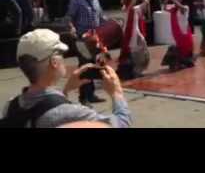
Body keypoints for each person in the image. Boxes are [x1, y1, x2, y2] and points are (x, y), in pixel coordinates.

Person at [0, 29, 132, 128]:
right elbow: (121, 123)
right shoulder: (70, 113)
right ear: (54, 62)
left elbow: (41, 109)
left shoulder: (10, 107)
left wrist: (65, 91)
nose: (64, 58)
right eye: (61, 54)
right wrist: (116, 93)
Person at [66, 0, 107, 107]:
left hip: (95, 39)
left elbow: (101, 18)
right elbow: (69, 17)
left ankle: (91, 95)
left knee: (94, 66)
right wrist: (71, 27)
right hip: (82, 39)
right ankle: (83, 98)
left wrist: (113, 23)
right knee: (85, 67)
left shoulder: (96, 1)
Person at [116, 0, 150, 81]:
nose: (133, 1)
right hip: (128, 36)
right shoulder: (125, 10)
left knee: (143, 52)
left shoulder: (135, 9)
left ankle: (137, 70)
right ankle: (133, 71)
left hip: (136, 35)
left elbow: (146, 2)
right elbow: (130, 7)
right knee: (132, 54)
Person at [161, 0, 195, 71]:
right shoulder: (174, 9)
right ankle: (181, 62)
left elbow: (181, 8)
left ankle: (186, 61)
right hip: (177, 34)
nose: (175, 1)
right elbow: (165, 8)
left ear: (181, 1)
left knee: (186, 51)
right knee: (177, 50)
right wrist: (166, 0)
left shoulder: (185, 8)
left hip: (185, 35)